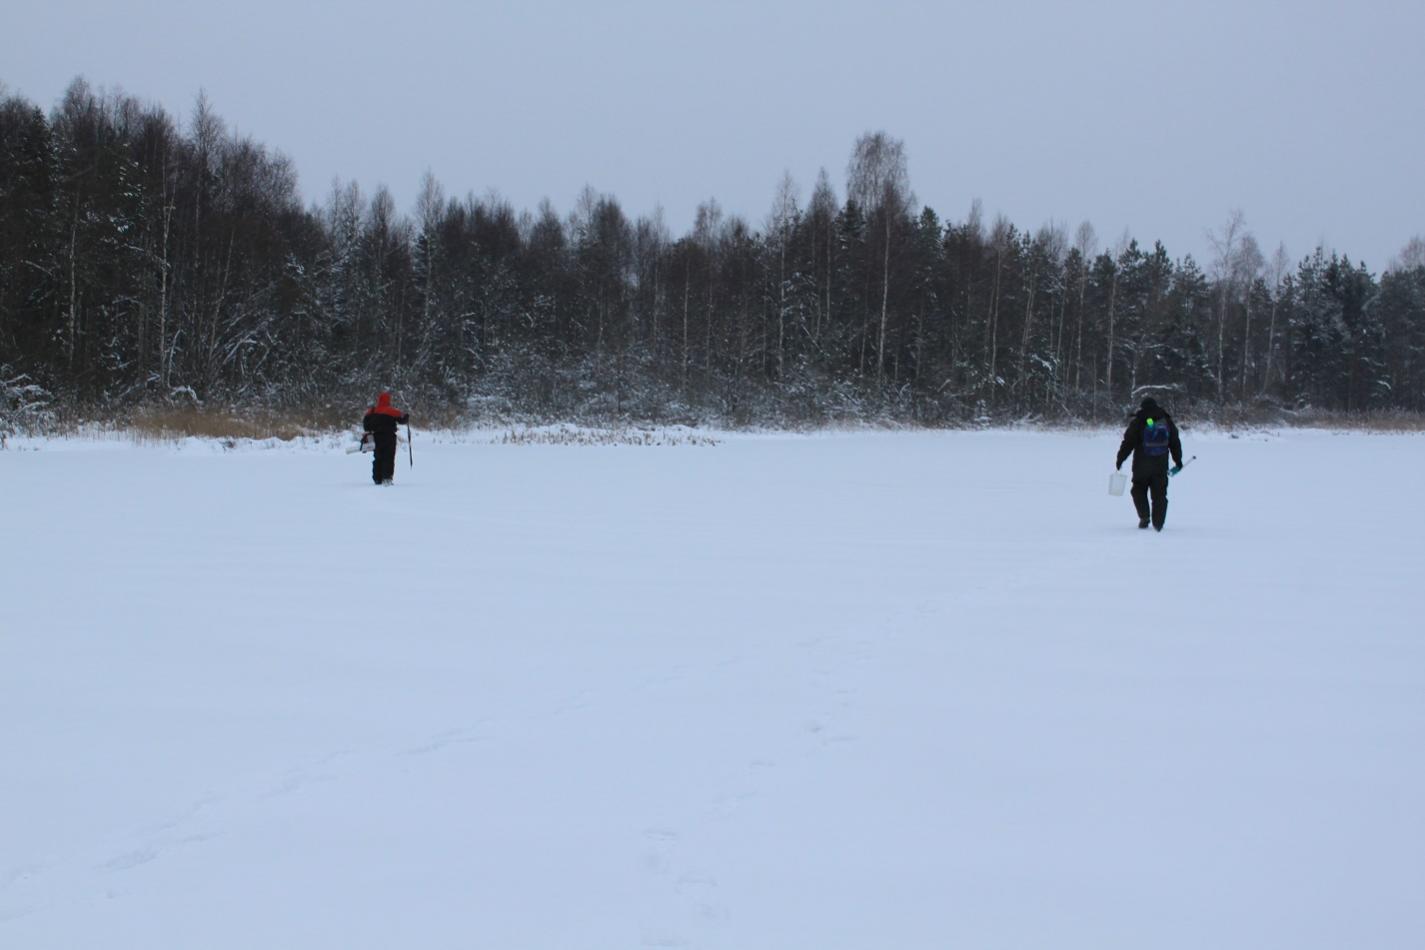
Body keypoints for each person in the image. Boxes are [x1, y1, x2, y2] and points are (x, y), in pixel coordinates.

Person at [1115, 396, 1184, 531]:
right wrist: (1178, 460)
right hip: (1160, 464)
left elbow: (1128, 442)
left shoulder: (1138, 421)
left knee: (1138, 490)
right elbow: (1175, 442)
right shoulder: (1166, 421)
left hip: (1141, 465)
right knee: (1160, 494)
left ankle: (1144, 517)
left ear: (1143, 407)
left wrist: (1120, 459)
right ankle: (1158, 524)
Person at [362, 391, 409, 485]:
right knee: (388, 457)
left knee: (378, 457)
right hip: (389, 437)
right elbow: (402, 420)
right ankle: (387, 478)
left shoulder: (372, 411)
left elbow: (366, 425)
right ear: (388, 400)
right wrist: (406, 416)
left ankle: (377, 478)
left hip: (375, 437)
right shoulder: (392, 411)